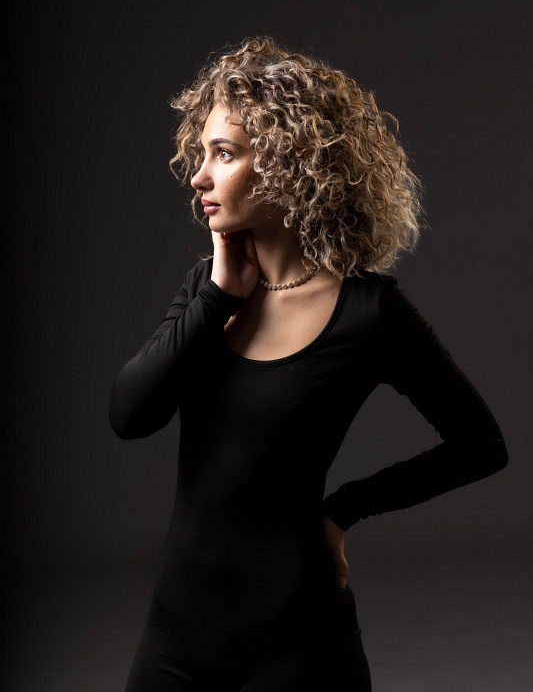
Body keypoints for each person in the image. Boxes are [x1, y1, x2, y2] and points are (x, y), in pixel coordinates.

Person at [109, 37, 508, 691]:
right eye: (201, 153)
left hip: (296, 643)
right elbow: (129, 415)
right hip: (175, 637)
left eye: (225, 154)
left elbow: (479, 446)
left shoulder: (368, 312)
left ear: (289, 164)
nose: (199, 176)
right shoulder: (205, 295)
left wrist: (343, 509)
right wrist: (214, 299)